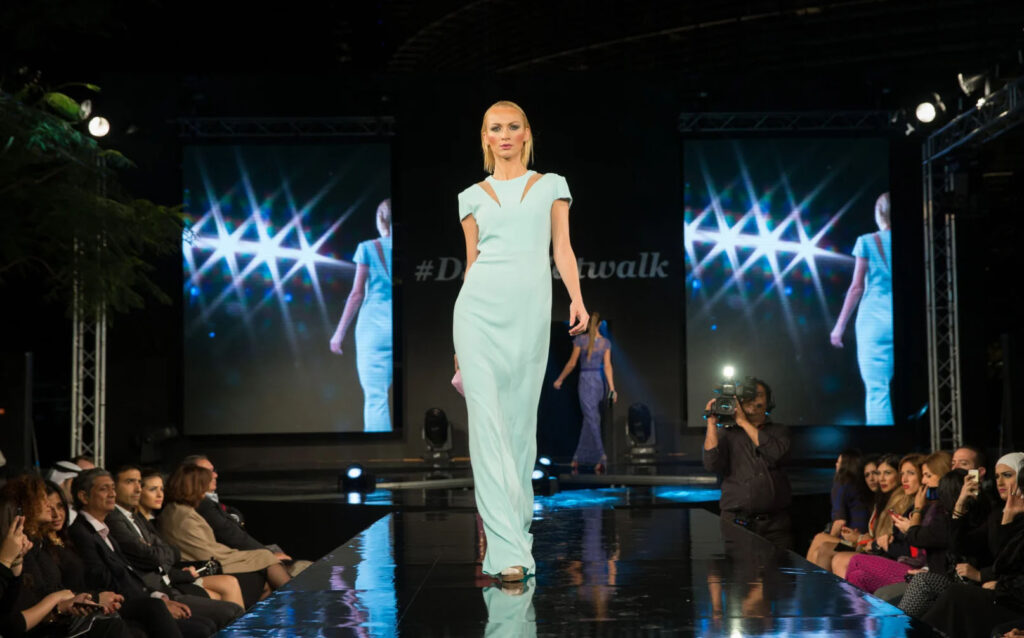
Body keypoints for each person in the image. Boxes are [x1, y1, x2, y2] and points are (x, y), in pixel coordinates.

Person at [452, 100, 588, 583]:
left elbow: (562, 248)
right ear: (485, 137)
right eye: (495, 128)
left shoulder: (552, 185)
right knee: (487, 432)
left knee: (517, 433)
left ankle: (517, 533)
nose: (505, 134)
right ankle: (506, 550)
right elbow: (471, 266)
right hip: (476, 314)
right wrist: (457, 346)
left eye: (513, 126)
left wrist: (576, 298)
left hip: (528, 316)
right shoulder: (471, 196)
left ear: (527, 132)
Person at [67, 468, 205, 638]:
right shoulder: (81, 533)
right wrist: (153, 601)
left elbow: (129, 572)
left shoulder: (104, 529)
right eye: (104, 489)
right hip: (115, 604)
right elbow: (104, 579)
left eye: (112, 488)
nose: (112, 494)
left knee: (203, 625)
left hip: (142, 597)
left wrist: (156, 597)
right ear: (84, 496)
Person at [106, 465, 245, 622]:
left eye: (139, 482)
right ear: (113, 487)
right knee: (231, 608)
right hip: (156, 590)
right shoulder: (116, 518)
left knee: (233, 590)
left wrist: (161, 554)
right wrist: (162, 555)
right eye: (131, 482)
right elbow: (150, 556)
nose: (138, 489)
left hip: (169, 583)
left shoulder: (135, 517)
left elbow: (170, 552)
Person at [157, 464, 289, 607]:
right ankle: (298, 598)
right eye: (204, 483)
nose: (208, 486)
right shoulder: (182, 516)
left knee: (265, 565)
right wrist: (246, 556)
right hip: (201, 566)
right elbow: (204, 552)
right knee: (265, 558)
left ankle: (292, 601)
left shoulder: (180, 510)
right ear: (196, 486)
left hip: (208, 560)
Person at [702, 378, 793, 549]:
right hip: (737, 522)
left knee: (778, 573)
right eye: (747, 396)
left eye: (758, 395)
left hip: (775, 526)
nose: (752, 400)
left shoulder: (780, 431)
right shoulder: (727, 433)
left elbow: (777, 454)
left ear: (768, 401)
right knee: (741, 574)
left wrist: (743, 422)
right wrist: (712, 423)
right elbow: (711, 464)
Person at [330, 198, 393, 433]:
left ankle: (381, 458)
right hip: (400, 328)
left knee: (376, 399)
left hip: (373, 330)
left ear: (380, 219)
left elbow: (357, 294)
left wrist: (338, 334)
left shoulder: (368, 248)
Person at [830, 192, 893, 425]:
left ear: (879, 212)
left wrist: (839, 327)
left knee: (878, 391)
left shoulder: (867, 241)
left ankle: (884, 453)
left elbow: (856, 287)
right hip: (903, 318)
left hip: (874, 322)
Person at [552, 312, 616, 475]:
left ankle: (600, 456)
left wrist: (560, 379)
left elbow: (572, 363)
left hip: (588, 381)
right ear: (600, 324)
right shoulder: (602, 342)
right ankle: (579, 458)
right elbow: (607, 367)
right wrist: (612, 388)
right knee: (592, 419)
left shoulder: (588, 341)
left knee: (592, 418)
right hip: (596, 382)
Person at [805, 449, 872, 564]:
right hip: (864, 537)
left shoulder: (841, 483)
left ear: (845, 466)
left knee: (820, 539)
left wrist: (829, 539)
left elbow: (840, 522)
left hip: (854, 541)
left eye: (839, 462)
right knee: (819, 550)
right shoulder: (862, 485)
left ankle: (805, 577)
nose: (836, 465)